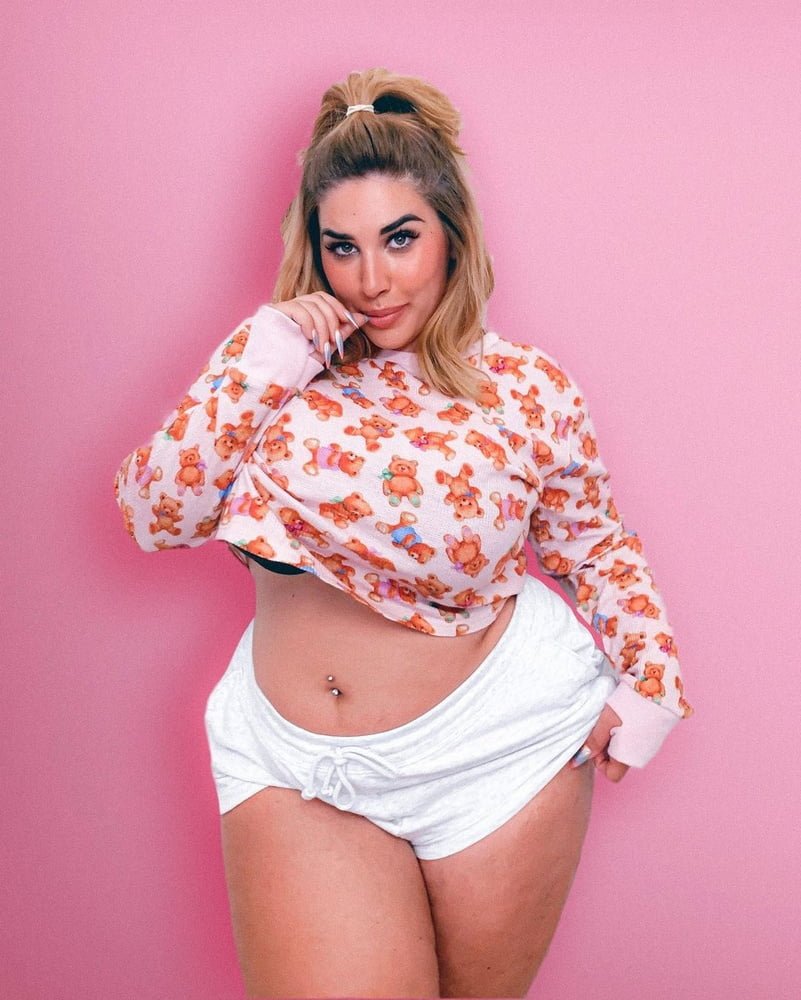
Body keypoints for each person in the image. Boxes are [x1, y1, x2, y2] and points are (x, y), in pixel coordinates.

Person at [113, 67, 692, 999]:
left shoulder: (526, 387)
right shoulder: (273, 363)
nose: (371, 280)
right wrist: (265, 360)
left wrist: (652, 680)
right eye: (341, 247)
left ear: (451, 235)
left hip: (493, 747)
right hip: (292, 761)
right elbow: (156, 517)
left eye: (399, 239)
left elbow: (593, 546)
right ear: (314, 250)